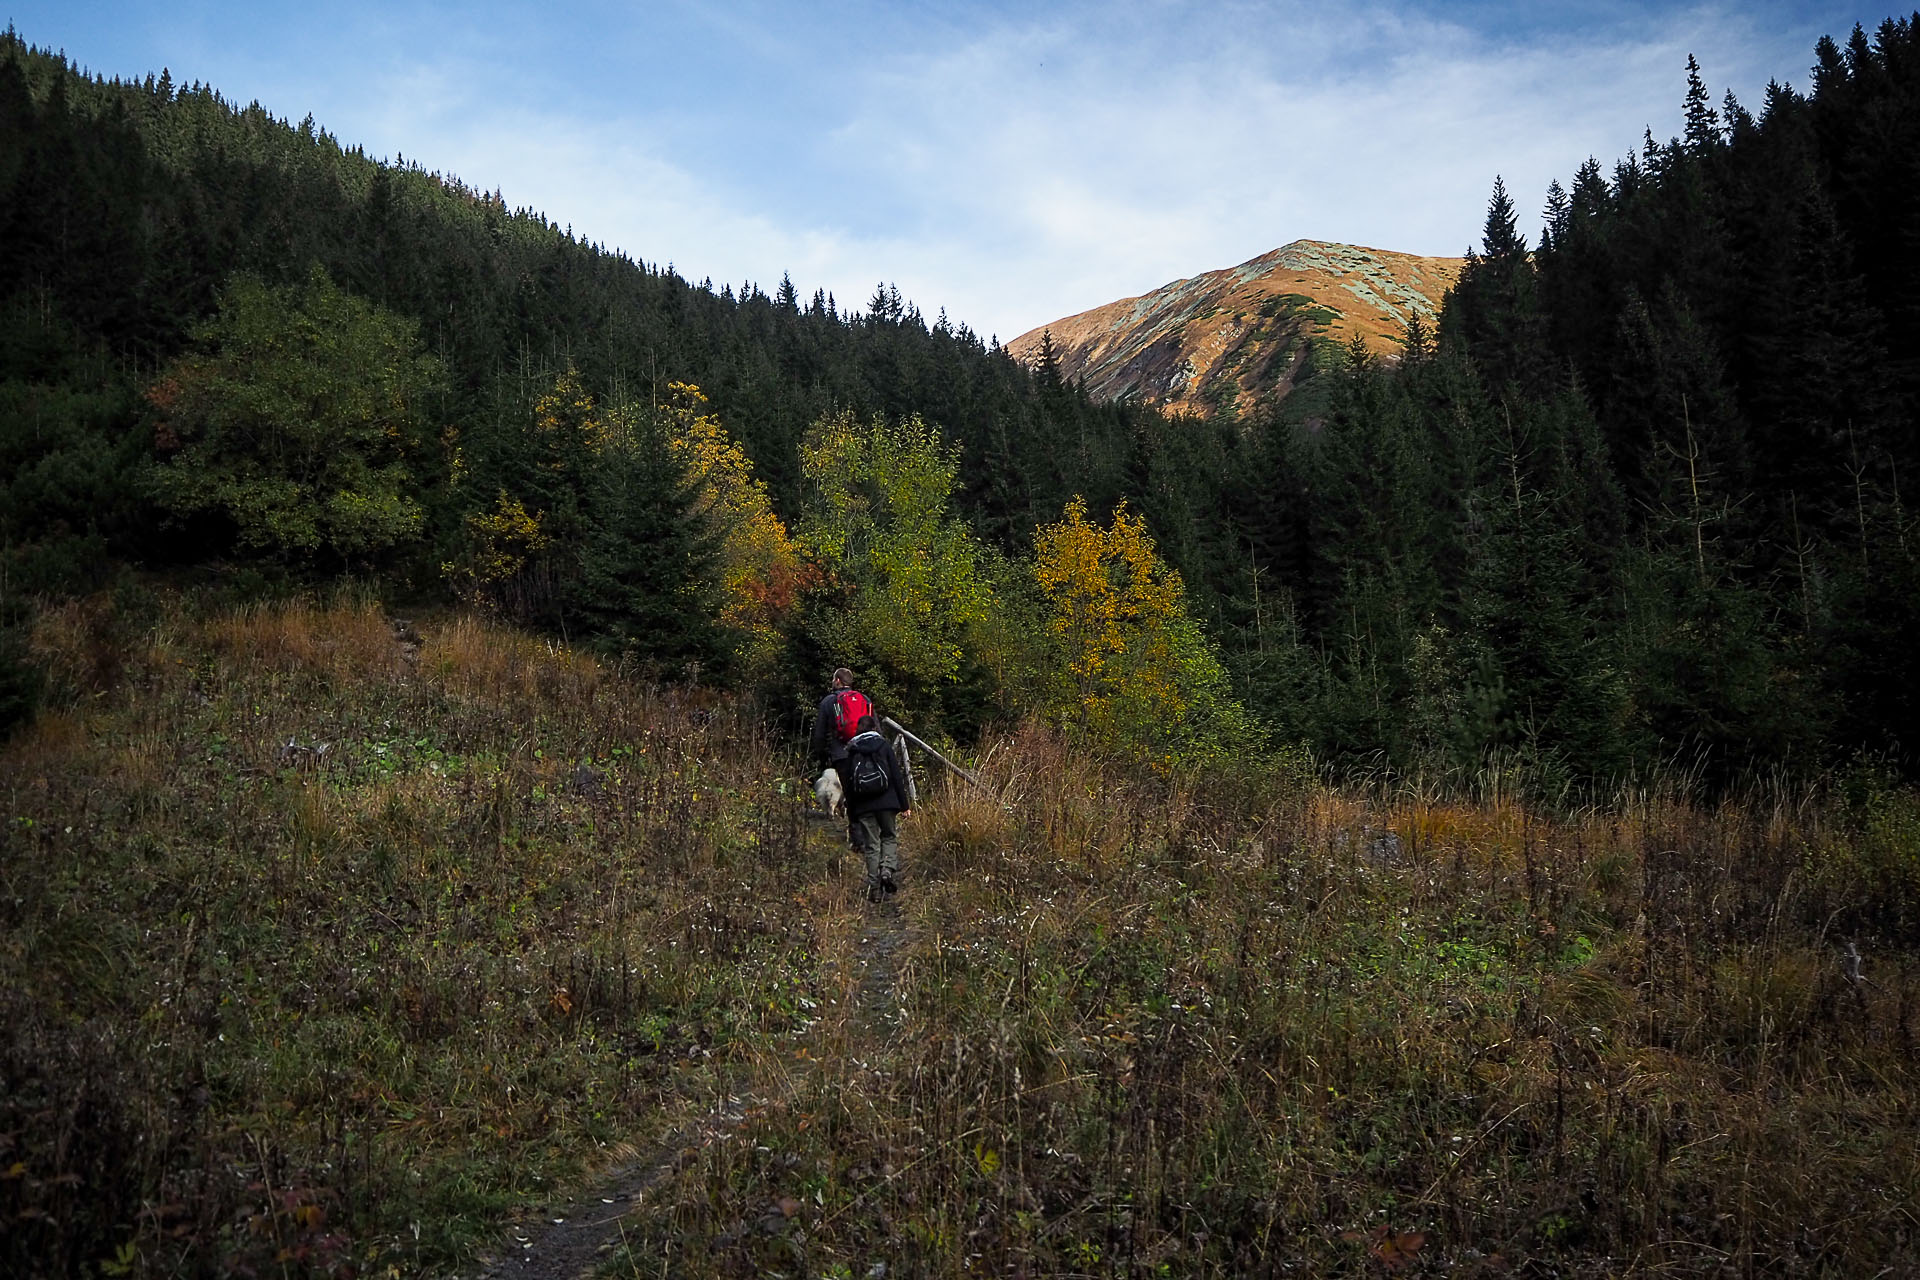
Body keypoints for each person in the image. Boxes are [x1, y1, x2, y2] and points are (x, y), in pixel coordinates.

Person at [843, 713, 916, 901]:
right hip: (888, 802)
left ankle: (874, 889)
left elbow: (849, 785)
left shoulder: (852, 750)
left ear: (858, 729)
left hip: (864, 806)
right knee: (889, 836)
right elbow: (897, 776)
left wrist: (852, 813)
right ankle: (886, 870)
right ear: (875, 728)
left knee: (872, 845)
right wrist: (904, 804)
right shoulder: (883, 746)